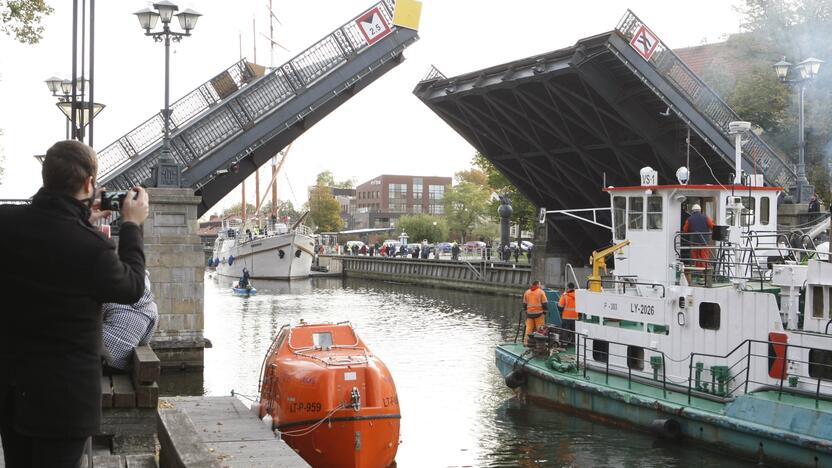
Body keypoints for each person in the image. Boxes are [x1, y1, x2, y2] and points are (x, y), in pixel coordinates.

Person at [0, 140, 148, 467]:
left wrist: (82, 218)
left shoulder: (6, 224)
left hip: (13, 391)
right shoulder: (92, 248)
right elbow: (133, 287)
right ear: (88, 184)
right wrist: (132, 226)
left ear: (46, 177)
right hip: (64, 403)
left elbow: (48, 230)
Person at [102, 271, 159, 373]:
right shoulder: (153, 309)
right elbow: (144, 341)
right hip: (118, 366)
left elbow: (97, 320)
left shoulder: (113, 296)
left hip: (96, 358)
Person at [682, 204, 715, 271]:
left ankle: (697, 272)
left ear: (692, 211)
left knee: (695, 258)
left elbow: (685, 229)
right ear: (700, 210)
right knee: (704, 257)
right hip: (704, 242)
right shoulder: (706, 218)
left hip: (694, 242)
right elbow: (713, 226)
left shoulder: (690, 219)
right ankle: (704, 273)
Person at [522, 280, 548, 346]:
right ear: (537, 285)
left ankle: (527, 343)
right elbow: (544, 303)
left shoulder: (527, 292)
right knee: (540, 329)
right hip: (539, 314)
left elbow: (524, 304)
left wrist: (526, 311)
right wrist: (545, 311)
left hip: (529, 314)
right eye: (540, 284)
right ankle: (539, 344)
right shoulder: (541, 292)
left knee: (529, 329)